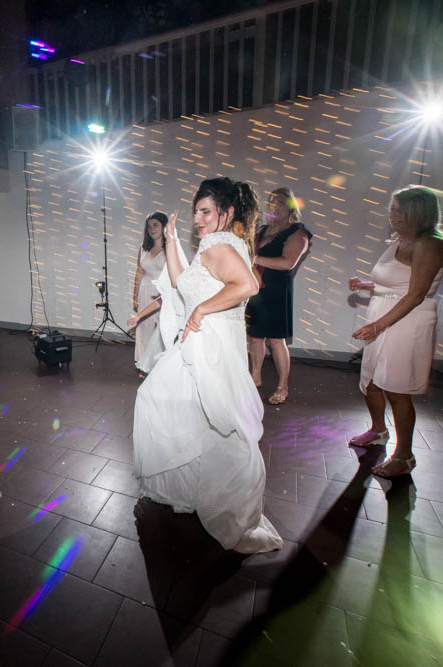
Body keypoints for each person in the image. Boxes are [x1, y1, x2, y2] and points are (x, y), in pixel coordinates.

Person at [132, 177, 282, 554]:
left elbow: (246, 285)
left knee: (214, 421)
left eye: (206, 211)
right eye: (196, 211)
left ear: (226, 213)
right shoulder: (217, 246)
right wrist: (169, 240)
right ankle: (194, 490)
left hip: (210, 344)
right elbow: (183, 282)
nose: (198, 219)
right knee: (190, 414)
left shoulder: (218, 244)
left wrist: (200, 309)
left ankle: (228, 502)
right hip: (202, 342)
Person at [348, 185, 443, 478]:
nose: (391, 215)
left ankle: (404, 456)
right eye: (391, 209)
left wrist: (378, 325)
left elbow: (416, 293)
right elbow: (396, 283)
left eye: (397, 210)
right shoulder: (399, 241)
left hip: (409, 321)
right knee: (372, 380)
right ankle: (378, 431)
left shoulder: (431, 245)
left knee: (397, 388)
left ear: (417, 212)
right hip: (384, 314)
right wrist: (367, 285)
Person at [246, 187, 312, 405]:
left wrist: (254, 259)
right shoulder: (262, 230)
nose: (274, 206)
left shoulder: (298, 233)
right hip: (256, 291)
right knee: (255, 337)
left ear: (291, 207)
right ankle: (254, 378)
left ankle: (282, 387)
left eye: (280, 203)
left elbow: (287, 263)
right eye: (271, 202)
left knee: (276, 340)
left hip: (276, 291)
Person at [130, 212, 168, 375]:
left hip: (161, 293)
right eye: (149, 225)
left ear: (164, 226)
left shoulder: (169, 248)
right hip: (145, 290)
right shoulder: (144, 247)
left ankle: (158, 364)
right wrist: (135, 295)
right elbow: (139, 272)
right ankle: (142, 362)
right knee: (143, 328)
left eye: (156, 225)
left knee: (160, 329)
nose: (152, 229)